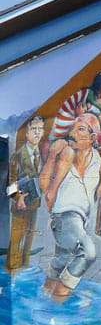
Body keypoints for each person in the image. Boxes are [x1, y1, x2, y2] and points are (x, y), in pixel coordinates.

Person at [40, 114, 101, 299]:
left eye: (80, 129)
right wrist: (52, 155)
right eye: (73, 128)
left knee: (61, 261)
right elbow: (45, 188)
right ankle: (59, 302)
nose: (73, 133)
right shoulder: (64, 154)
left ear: (92, 138)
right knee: (87, 252)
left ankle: (45, 301)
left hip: (79, 221)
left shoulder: (97, 161)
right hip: (64, 217)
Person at [47, 71, 101, 204]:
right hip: (69, 129)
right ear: (99, 87)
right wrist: (80, 116)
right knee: (67, 154)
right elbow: (65, 116)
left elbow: (98, 127)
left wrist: (88, 119)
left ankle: (96, 195)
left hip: (92, 132)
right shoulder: (83, 95)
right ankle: (54, 193)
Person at [6, 115, 44, 272]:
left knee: (28, 244)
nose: (37, 132)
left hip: (34, 205)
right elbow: (10, 186)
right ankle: (12, 272)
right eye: (33, 129)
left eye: (40, 129)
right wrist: (18, 198)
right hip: (20, 208)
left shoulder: (40, 155)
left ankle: (25, 270)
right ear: (27, 133)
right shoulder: (18, 156)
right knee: (16, 244)